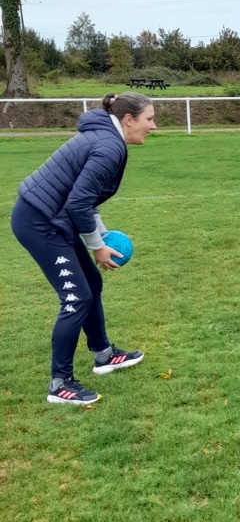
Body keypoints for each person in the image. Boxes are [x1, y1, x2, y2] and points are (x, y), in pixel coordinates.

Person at [10, 92, 157, 406]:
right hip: (38, 222)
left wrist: (100, 238)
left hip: (51, 220)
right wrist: (98, 247)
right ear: (128, 120)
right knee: (77, 297)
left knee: (91, 283)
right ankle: (60, 384)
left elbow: (85, 199)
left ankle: (103, 355)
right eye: (149, 119)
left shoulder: (106, 138)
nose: (153, 126)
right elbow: (78, 203)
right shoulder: (109, 147)